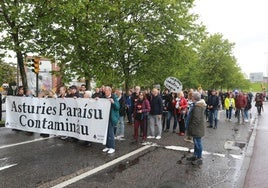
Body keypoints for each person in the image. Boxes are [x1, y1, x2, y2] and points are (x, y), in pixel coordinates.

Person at [186, 92, 206, 165]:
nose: (191, 98)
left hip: (196, 129)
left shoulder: (198, 106)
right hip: (196, 128)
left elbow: (196, 119)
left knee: (198, 143)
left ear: (194, 98)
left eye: (192, 97)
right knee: (196, 143)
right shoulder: (197, 105)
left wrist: (191, 126)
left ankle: (199, 158)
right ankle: (195, 156)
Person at [102, 86, 120, 154]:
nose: (105, 92)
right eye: (105, 90)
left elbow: (118, 107)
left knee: (110, 133)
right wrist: (97, 99)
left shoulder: (114, 97)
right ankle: (107, 146)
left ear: (110, 91)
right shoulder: (103, 97)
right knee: (106, 133)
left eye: (106, 90)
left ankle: (112, 147)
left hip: (111, 118)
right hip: (105, 118)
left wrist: (113, 102)